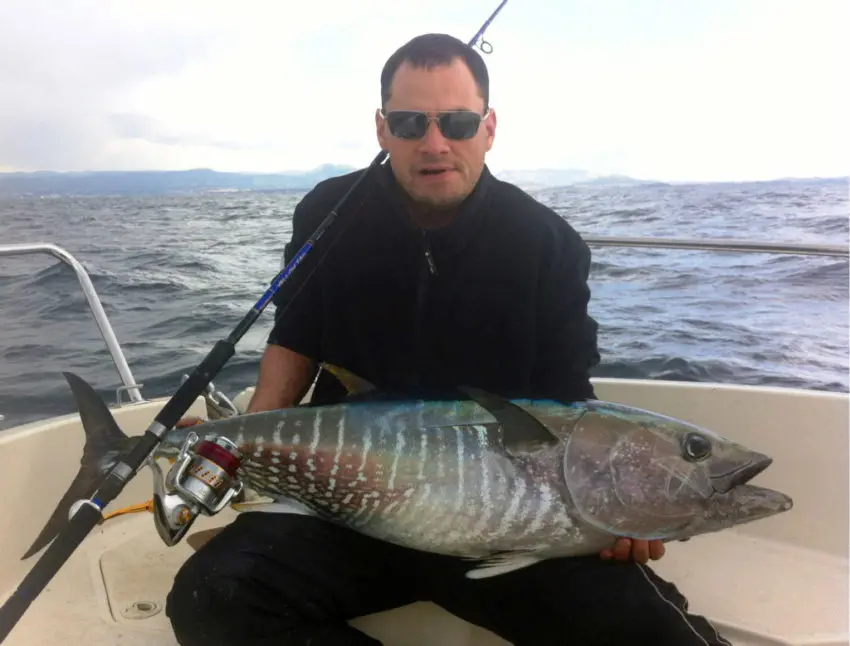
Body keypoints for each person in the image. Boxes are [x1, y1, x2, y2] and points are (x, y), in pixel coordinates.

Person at [165, 33, 732, 646]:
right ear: (382, 129)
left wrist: (620, 509)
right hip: (350, 507)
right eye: (411, 123)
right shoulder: (330, 211)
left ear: (489, 128)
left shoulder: (548, 244)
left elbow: (570, 400)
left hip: (513, 522)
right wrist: (250, 445)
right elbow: (296, 335)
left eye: (457, 122)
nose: (434, 144)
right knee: (210, 600)